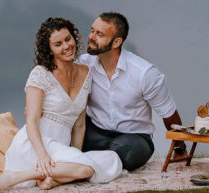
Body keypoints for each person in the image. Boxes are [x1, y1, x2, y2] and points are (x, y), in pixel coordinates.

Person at [0, 17, 123, 193]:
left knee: (112, 158)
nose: (66, 46)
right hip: (36, 143)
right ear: (50, 49)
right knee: (87, 169)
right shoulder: (40, 74)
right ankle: (17, 176)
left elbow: (79, 124)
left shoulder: (85, 73)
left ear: (74, 37)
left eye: (68, 39)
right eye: (58, 44)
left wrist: (75, 155)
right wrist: (42, 155)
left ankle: (56, 179)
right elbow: (31, 121)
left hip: (61, 146)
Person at [79, 12, 188, 171]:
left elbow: (168, 114)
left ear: (117, 42)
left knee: (126, 154)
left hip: (133, 138)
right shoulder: (83, 65)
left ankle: (85, 165)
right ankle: (95, 166)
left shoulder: (145, 73)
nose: (91, 37)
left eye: (100, 34)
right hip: (94, 132)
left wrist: (180, 148)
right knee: (64, 142)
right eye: (92, 30)